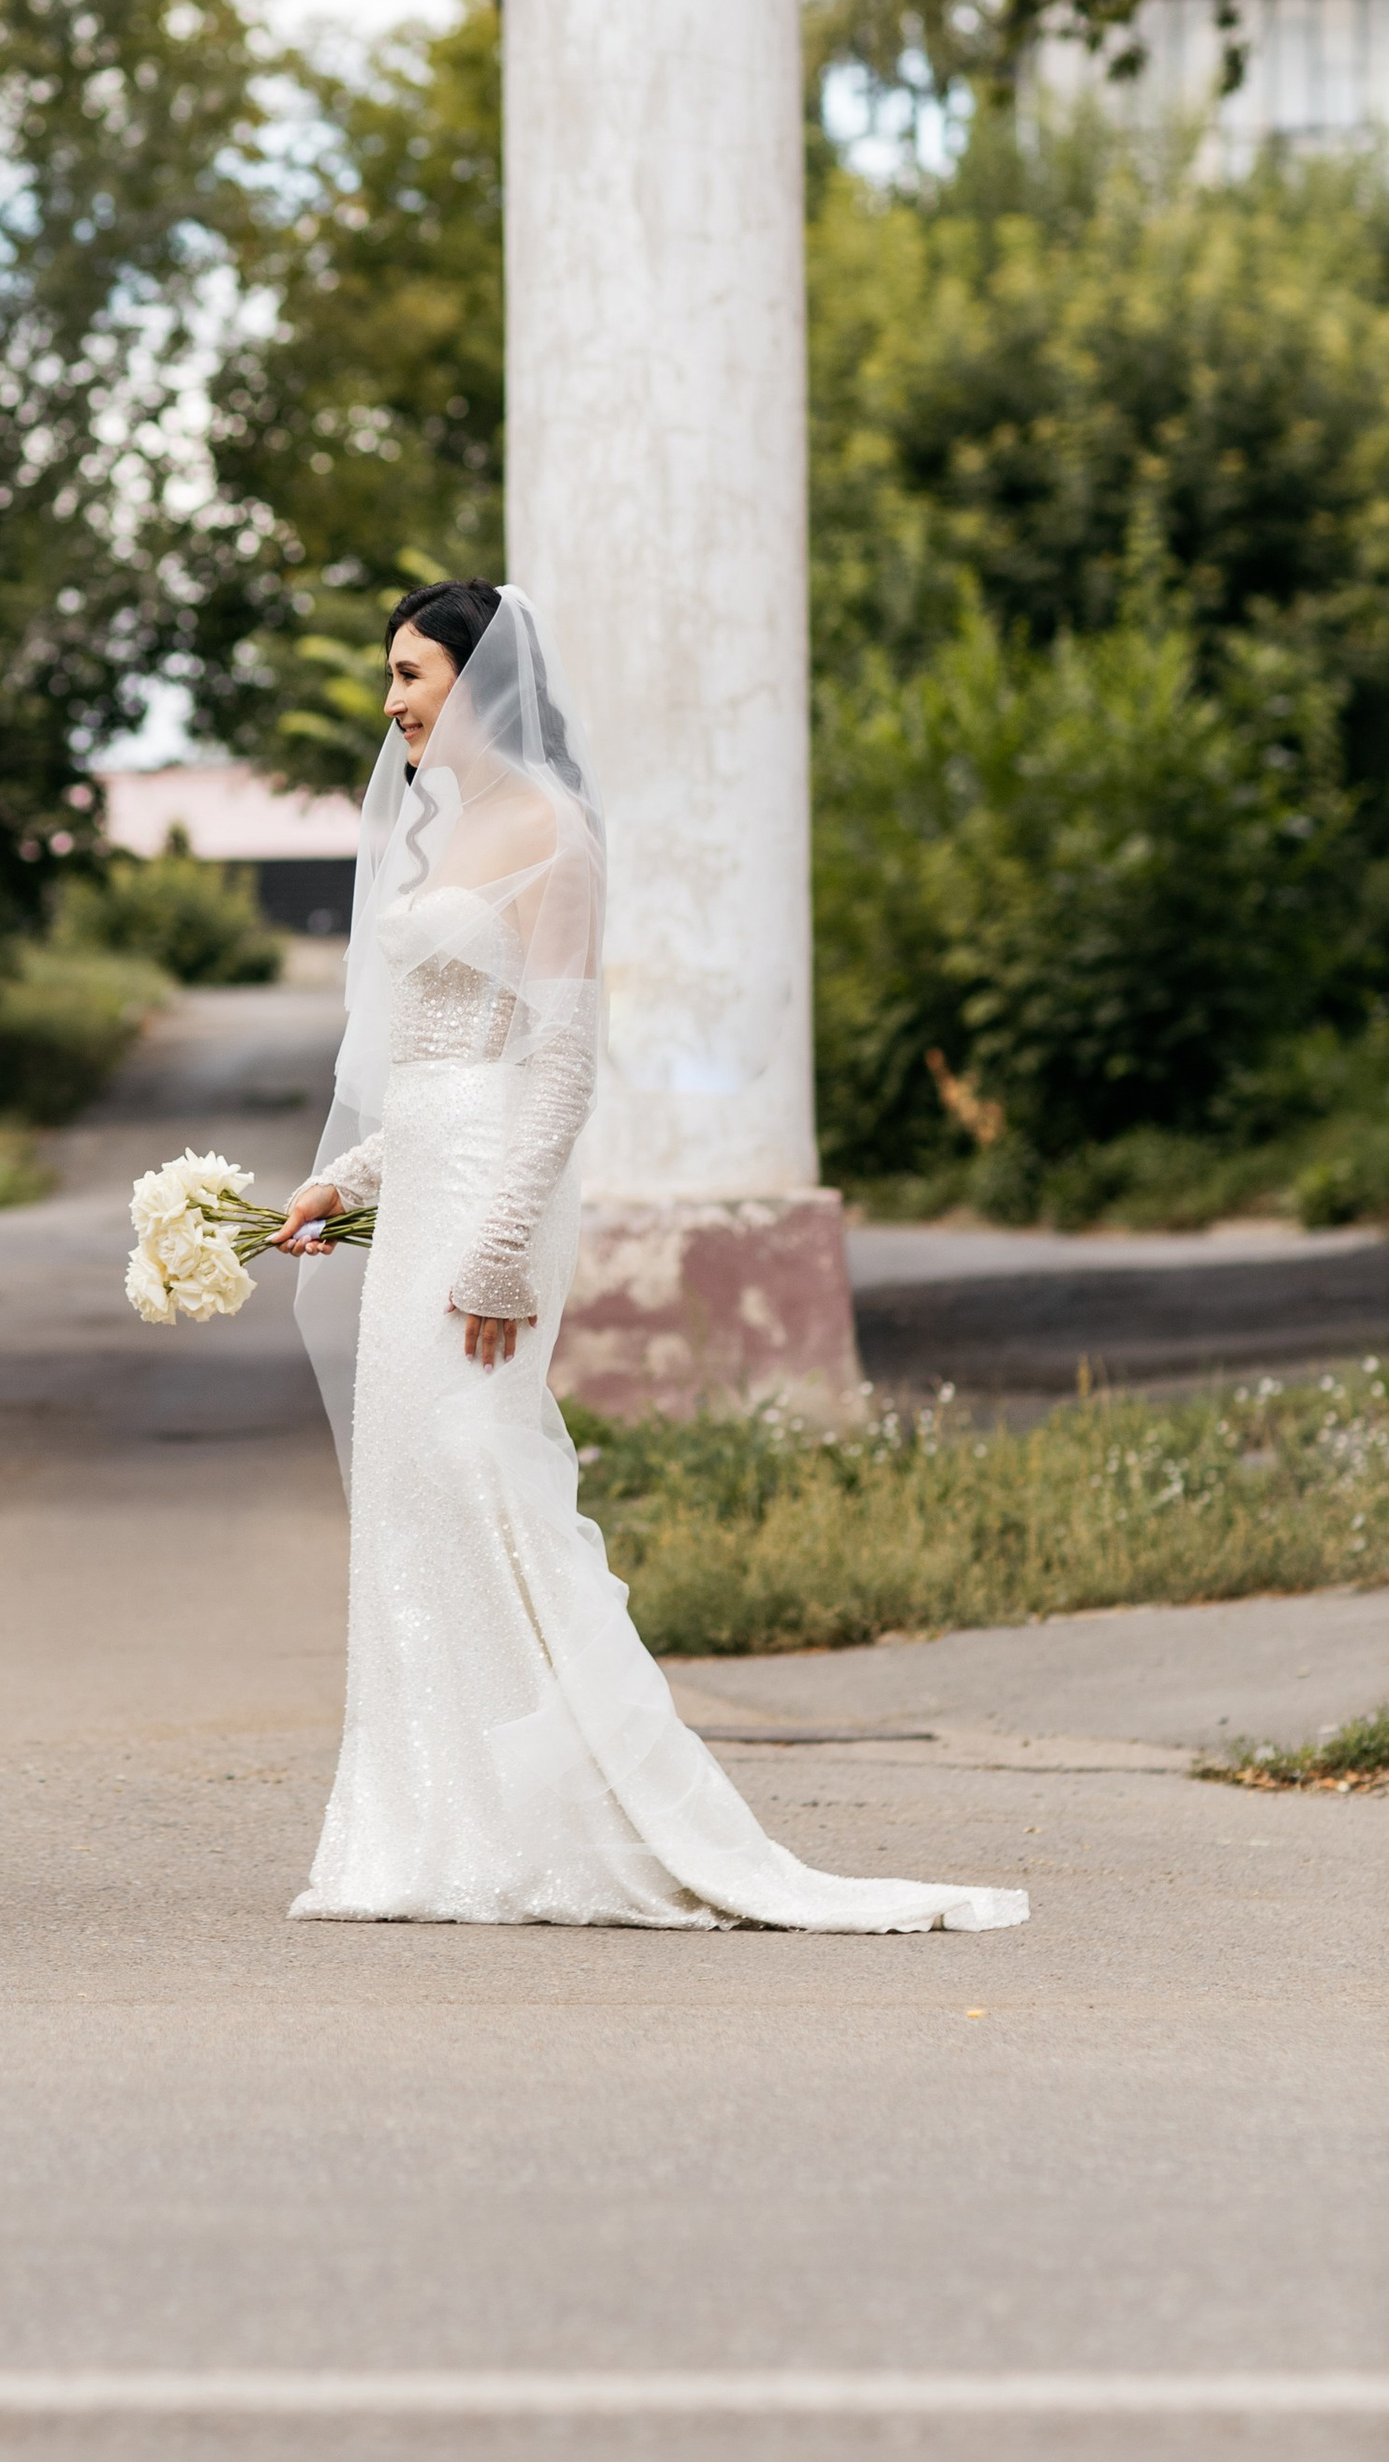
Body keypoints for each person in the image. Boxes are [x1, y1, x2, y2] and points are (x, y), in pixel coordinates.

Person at [274, 578, 1026, 1936]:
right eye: (390, 680)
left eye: (409, 676)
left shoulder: (558, 832)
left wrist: (500, 1253)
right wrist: (347, 1175)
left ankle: (601, 1823)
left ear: (480, 680)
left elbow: (555, 1068)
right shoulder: (445, 832)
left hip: (499, 1205)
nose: (391, 707)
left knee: (490, 1480)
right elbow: (440, 1063)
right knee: (413, 1498)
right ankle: (434, 1830)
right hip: (427, 1184)